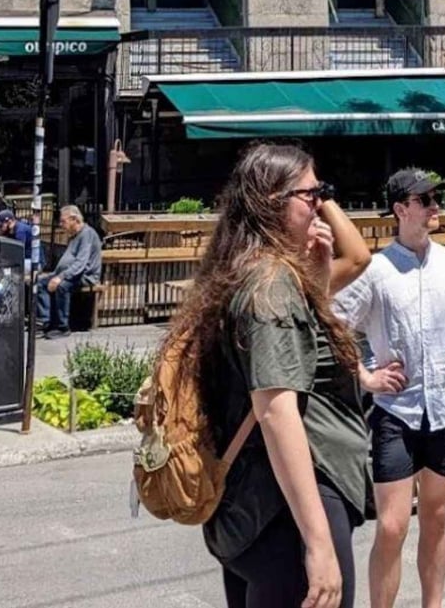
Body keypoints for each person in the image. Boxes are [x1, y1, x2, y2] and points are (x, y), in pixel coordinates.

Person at [172, 143, 370, 608]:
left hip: (254, 505)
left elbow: (295, 362)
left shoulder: (248, 274)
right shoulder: (270, 286)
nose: (320, 204)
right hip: (284, 508)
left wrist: (318, 276)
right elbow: (278, 411)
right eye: (310, 194)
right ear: (272, 204)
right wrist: (318, 542)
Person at [333, 168, 445, 608]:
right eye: (424, 200)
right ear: (400, 209)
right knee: (391, 525)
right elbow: (334, 326)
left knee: (438, 516)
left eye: (434, 198)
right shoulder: (376, 270)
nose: (434, 207)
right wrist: (367, 376)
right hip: (397, 412)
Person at [37, 205, 102, 337]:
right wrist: (55, 275)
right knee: (40, 284)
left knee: (62, 286)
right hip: (69, 274)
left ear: (74, 219)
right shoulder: (74, 236)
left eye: (63, 221)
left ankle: (63, 327)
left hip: (85, 275)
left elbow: (80, 264)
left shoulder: (87, 234)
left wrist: (60, 277)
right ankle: (45, 321)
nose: (61, 225)